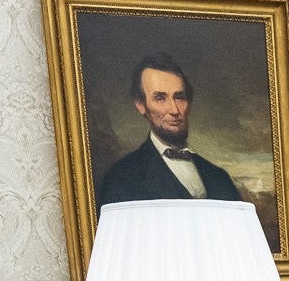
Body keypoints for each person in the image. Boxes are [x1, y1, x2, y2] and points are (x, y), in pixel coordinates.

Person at [94, 55, 245, 206]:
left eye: (179, 97)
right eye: (160, 98)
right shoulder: (122, 177)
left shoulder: (218, 177)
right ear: (141, 105)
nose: (174, 110)